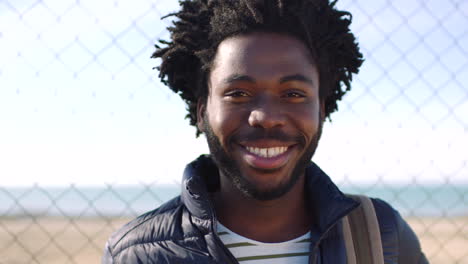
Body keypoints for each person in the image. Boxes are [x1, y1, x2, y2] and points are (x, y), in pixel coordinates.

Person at [102, 0, 428, 263]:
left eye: (293, 94)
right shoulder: (138, 255)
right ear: (202, 111)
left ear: (321, 110)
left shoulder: (380, 236)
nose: (266, 117)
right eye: (238, 93)